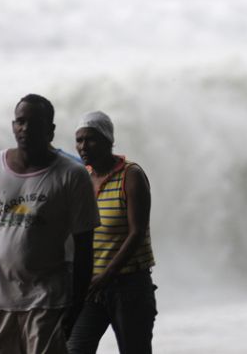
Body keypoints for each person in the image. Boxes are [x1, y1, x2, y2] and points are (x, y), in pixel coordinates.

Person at [0, 94, 100, 354]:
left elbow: (84, 247)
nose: (25, 129)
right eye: (20, 122)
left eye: (34, 123)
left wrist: (76, 305)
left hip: (48, 303)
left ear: (51, 130)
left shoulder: (72, 175)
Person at [67, 111, 157, 354]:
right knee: (75, 348)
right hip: (91, 288)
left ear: (108, 140)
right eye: (79, 140)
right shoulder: (81, 177)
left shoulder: (131, 175)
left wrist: (106, 275)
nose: (83, 146)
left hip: (129, 287)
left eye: (91, 139)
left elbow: (137, 232)